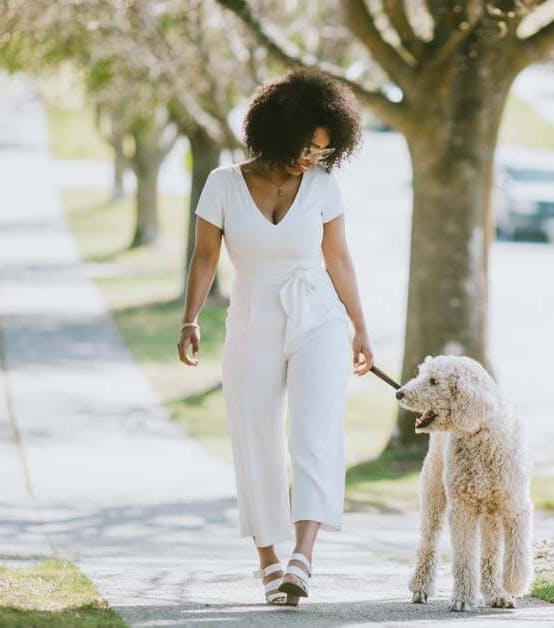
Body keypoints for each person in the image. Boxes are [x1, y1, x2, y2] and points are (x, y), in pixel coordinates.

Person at [177, 67, 374, 606]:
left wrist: (360, 326)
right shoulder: (221, 183)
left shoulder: (324, 186)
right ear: (278, 131)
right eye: (307, 146)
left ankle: (302, 558)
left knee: (315, 430)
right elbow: (205, 257)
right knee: (254, 434)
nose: (313, 157)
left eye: (323, 150)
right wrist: (190, 318)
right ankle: (267, 557)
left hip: (319, 317)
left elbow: (337, 258)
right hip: (252, 315)